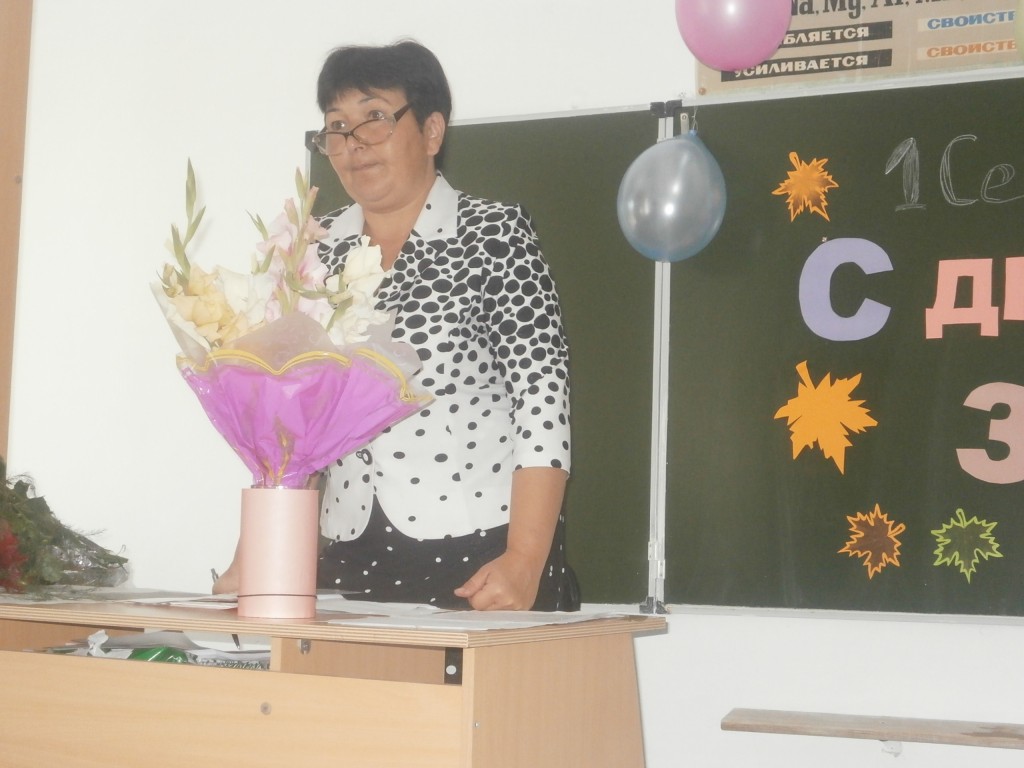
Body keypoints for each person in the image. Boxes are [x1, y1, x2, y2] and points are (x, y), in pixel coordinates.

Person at [218, 40, 577, 611]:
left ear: (432, 131)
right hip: (348, 546)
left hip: (484, 553)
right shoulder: (315, 251)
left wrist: (525, 559)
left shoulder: (492, 235)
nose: (354, 143)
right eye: (338, 126)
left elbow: (542, 401)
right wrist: (257, 551)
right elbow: (292, 426)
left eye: (375, 118)